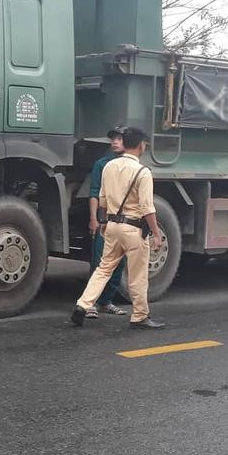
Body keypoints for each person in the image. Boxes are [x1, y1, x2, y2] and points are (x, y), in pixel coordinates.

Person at [70, 126, 165, 330]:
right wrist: (156, 233)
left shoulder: (109, 167)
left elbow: (102, 199)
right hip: (133, 229)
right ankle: (140, 316)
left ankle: (83, 305)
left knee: (103, 268)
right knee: (137, 274)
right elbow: (147, 208)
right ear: (141, 146)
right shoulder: (143, 172)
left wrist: (104, 223)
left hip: (112, 225)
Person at [84, 127, 129, 318]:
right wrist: (93, 218)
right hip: (105, 222)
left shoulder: (133, 166)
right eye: (113, 139)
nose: (114, 142)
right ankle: (90, 303)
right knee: (100, 263)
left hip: (126, 222)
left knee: (119, 263)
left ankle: (107, 301)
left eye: (119, 139)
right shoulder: (101, 165)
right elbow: (94, 193)